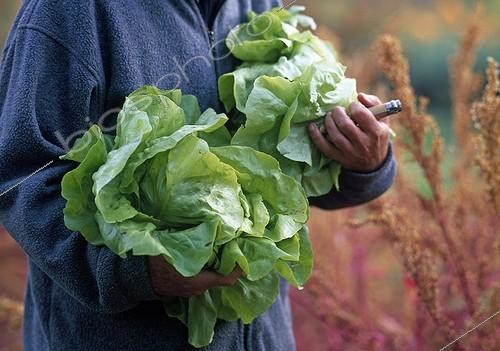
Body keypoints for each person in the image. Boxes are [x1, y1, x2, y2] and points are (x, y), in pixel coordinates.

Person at [0, 1, 395, 350]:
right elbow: (18, 177)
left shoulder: (253, 4)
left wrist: (361, 160)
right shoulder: (69, 12)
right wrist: (133, 273)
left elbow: (281, 177)